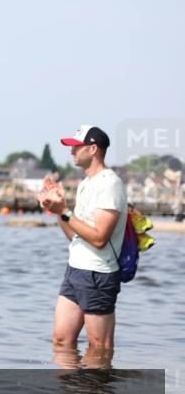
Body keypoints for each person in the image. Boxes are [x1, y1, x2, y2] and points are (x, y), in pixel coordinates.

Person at [38, 125, 127, 359]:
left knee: (99, 348)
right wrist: (57, 210)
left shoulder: (110, 184)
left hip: (98, 274)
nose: (71, 152)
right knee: (61, 341)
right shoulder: (86, 183)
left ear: (93, 149)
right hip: (75, 270)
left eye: (76, 147)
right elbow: (76, 236)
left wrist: (65, 211)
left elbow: (98, 238)